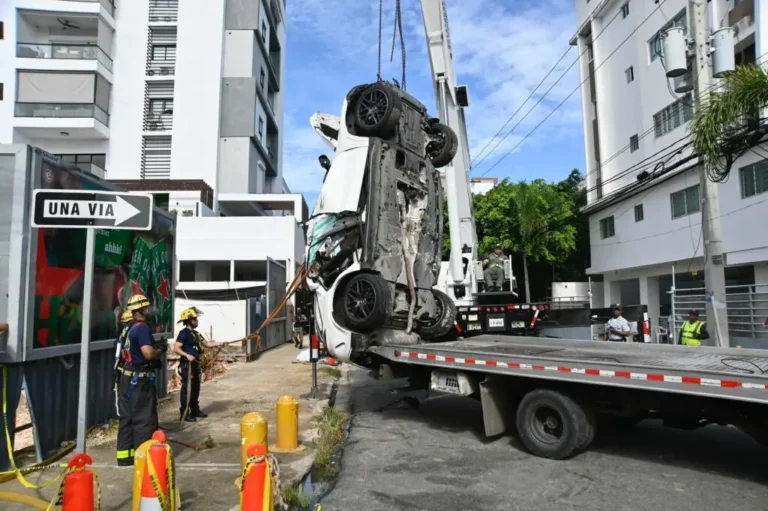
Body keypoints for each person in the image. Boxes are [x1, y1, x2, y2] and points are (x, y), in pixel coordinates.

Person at [115, 294, 164, 466]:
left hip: (126, 379)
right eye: (147, 307)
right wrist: (159, 351)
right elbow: (148, 353)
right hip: (140, 381)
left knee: (127, 417)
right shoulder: (142, 328)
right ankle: (144, 457)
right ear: (141, 310)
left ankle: (125, 456)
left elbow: (123, 353)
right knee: (144, 418)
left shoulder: (127, 328)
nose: (149, 310)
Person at [173, 307, 209, 423]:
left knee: (195, 388)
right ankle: (184, 413)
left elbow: (207, 344)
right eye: (195, 319)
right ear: (189, 321)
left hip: (195, 365)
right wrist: (187, 355)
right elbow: (176, 348)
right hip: (187, 366)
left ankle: (195, 410)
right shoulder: (183, 334)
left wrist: (223, 343)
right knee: (186, 390)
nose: (197, 321)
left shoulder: (196, 334)